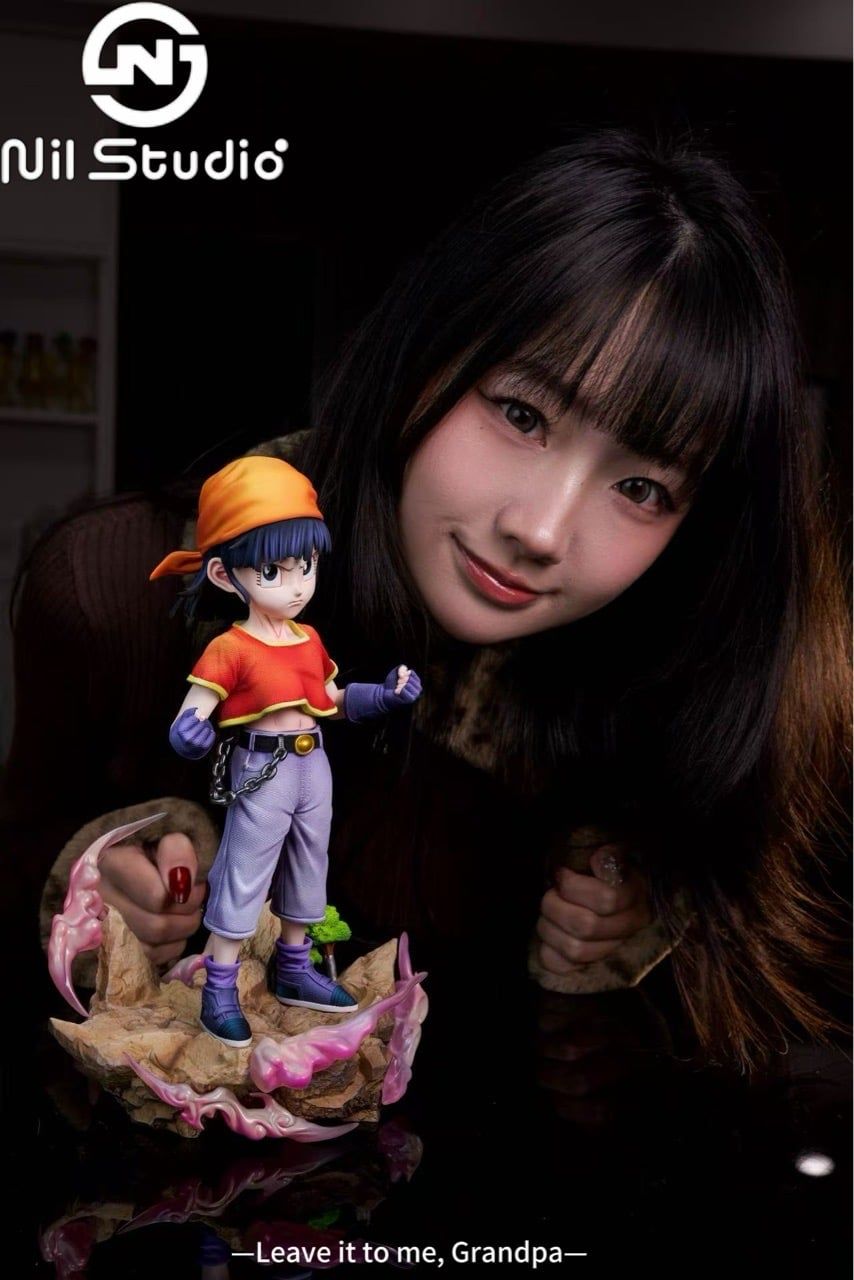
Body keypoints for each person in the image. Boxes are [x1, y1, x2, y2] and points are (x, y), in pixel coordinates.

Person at [5, 131, 849, 1070]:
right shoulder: (122, 589)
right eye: (522, 414)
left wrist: (640, 928)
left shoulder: (662, 676)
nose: (542, 530)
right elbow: (20, 841)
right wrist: (87, 882)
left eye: (642, 488)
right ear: (425, 352)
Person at [151, 454, 421, 1045]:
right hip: (262, 766)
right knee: (245, 871)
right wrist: (189, 734)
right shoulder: (230, 648)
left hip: (313, 764)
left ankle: (295, 968)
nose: (297, 585)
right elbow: (194, 711)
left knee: (308, 864)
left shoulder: (308, 638)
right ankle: (220, 986)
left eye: (308, 566)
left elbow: (330, 699)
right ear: (225, 575)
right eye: (274, 571)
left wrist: (384, 696)